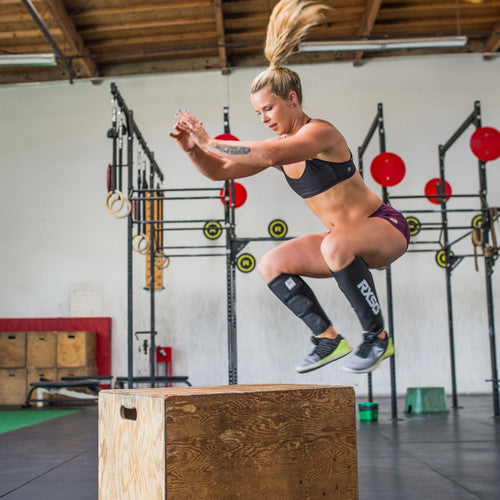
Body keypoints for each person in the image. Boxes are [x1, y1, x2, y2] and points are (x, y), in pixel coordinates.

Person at [170, 0, 410, 374]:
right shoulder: (280, 150)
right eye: (258, 113)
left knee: (334, 243)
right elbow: (219, 172)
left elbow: (269, 154)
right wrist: (192, 150)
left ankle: (377, 337)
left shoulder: (320, 132)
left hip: (385, 228)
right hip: (340, 244)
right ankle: (328, 338)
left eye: (269, 108)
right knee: (271, 263)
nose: (264, 118)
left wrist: (208, 140)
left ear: (292, 99)